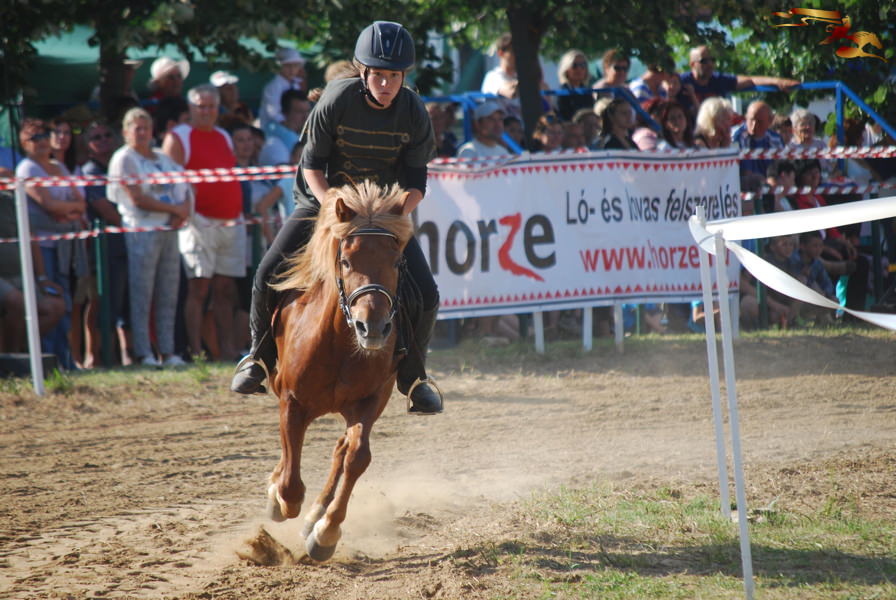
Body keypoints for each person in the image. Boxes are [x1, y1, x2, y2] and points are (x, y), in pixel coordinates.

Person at [231, 21, 443, 415]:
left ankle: (415, 378)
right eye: (378, 75)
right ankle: (258, 359)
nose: (386, 84)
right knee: (266, 273)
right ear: (362, 71)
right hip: (324, 201)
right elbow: (312, 166)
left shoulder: (414, 110)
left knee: (427, 293)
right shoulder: (337, 99)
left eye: (394, 76)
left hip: (381, 213)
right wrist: (333, 205)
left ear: (404, 77)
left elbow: (416, 183)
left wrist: (395, 214)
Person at [163, 84, 246, 361]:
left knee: (225, 289)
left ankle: (227, 351)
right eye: (201, 106)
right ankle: (196, 352)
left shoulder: (223, 135)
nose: (207, 111)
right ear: (191, 108)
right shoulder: (179, 137)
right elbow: (171, 182)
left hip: (230, 221)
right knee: (198, 288)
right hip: (198, 222)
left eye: (211, 106)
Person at [109, 108, 191, 367]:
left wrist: (183, 211)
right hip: (141, 231)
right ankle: (143, 352)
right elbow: (137, 198)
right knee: (142, 293)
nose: (142, 133)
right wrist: (175, 209)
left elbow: (186, 186)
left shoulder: (162, 158)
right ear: (126, 132)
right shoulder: (124, 158)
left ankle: (168, 351)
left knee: (169, 292)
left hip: (169, 229)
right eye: (137, 128)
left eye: (146, 128)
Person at [15, 119, 88, 369]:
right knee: (47, 301)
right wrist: (66, 210)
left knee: (66, 303)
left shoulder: (58, 166)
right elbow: (49, 205)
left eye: (45, 135)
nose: (43, 141)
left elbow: (80, 202)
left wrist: (66, 210)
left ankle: (65, 360)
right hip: (41, 249)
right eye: (35, 137)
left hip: (65, 248)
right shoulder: (27, 169)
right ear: (24, 143)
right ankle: (47, 360)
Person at [79, 120, 132, 367]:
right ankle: (96, 356)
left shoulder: (118, 165)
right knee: (100, 302)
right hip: (102, 250)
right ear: (87, 144)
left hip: (124, 243)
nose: (103, 140)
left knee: (122, 304)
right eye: (96, 137)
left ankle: (123, 355)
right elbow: (107, 211)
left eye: (106, 135)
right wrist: (134, 221)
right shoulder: (90, 170)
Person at [678, 45, 799, 108]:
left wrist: (778, 82)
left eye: (712, 60)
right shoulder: (682, 81)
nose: (710, 64)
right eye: (704, 61)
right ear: (692, 64)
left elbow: (750, 80)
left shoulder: (718, 80)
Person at [732, 100, 784, 178]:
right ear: (746, 117)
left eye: (759, 122)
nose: (754, 126)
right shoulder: (738, 138)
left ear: (770, 121)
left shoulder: (776, 139)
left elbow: (782, 168)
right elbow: (745, 173)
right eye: (751, 120)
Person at [258, 48, 306, 128]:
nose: (292, 70)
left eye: (295, 66)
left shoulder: (296, 85)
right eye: (288, 66)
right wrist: (288, 126)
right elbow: (273, 113)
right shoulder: (273, 87)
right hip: (272, 127)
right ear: (279, 66)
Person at [480, 33, 520, 118]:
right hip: (501, 125)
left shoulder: (518, 77)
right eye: (513, 52)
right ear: (500, 53)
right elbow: (510, 92)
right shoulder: (492, 77)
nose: (518, 56)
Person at [789, 108, 831, 177]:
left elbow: (831, 165)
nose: (808, 127)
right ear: (794, 128)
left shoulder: (821, 144)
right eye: (803, 124)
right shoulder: (791, 146)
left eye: (810, 124)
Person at [556, 50, 594, 121]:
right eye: (574, 65)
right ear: (566, 69)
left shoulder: (587, 91)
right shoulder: (562, 93)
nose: (579, 69)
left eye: (583, 65)